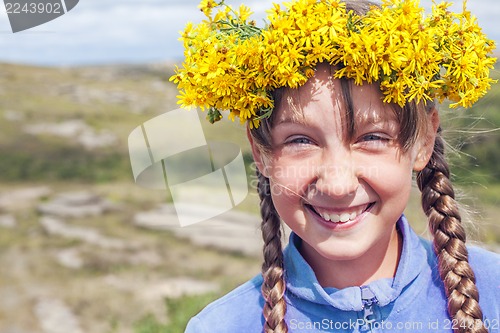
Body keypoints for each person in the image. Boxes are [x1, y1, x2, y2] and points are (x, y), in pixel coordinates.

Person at [171, 0, 500, 332]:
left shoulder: (493, 292)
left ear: (423, 141)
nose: (337, 184)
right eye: (300, 141)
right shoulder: (222, 326)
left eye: (372, 137)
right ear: (261, 153)